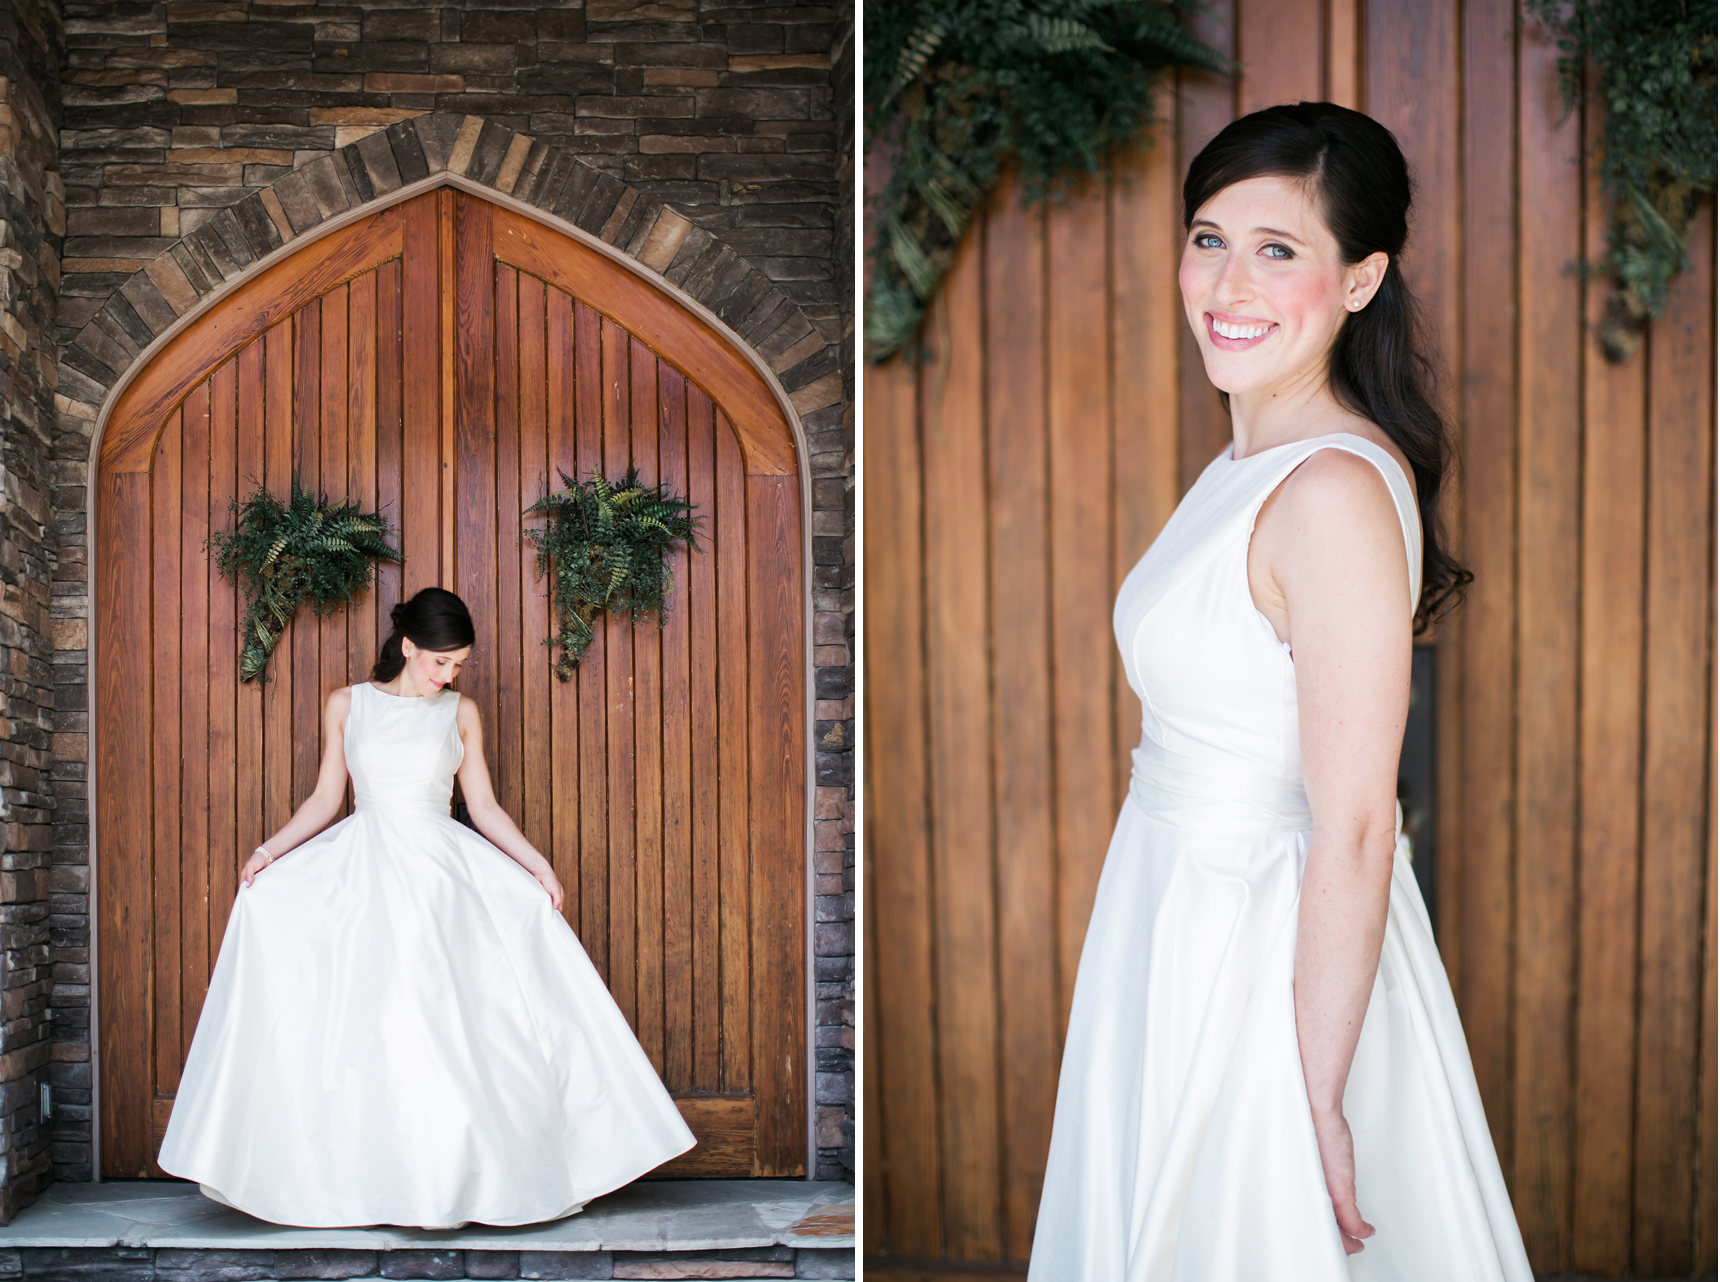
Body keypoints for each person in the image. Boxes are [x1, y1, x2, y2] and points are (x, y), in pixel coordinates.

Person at [1027, 103, 1532, 1279]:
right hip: (1171, 899)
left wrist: (1314, 1090)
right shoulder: (1248, 458)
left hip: (1259, 948)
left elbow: (1358, 822)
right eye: (1209, 238)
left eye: (1277, 249)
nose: (1227, 284)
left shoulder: (1331, 493)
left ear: (1360, 280)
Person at [158, 586, 695, 1229]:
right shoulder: (346, 704)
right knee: (364, 1023)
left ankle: (458, 1179)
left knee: (449, 1021)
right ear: (408, 647)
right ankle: (361, 1181)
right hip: (363, 867)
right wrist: (269, 852)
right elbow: (329, 797)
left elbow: (484, 807)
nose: (449, 675)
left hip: (443, 874)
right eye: (440, 662)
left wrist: (539, 866)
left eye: (459, 665)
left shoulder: (460, 713)